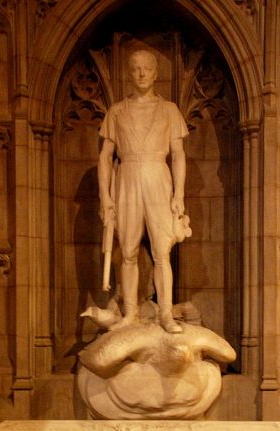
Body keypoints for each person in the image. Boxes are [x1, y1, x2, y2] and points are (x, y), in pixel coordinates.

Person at [98, 49, 190, 334]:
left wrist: (179, 195)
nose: (140, 74)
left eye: (146, 69)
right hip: (126, 177)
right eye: (135, 68)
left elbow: (178, 154)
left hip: (157, 176)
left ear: (156, 73)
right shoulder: (117, 111)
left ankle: (165, 313)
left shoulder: (169, 110)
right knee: (128, 250)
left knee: (162, 250)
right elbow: (105, 156)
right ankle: (130, 314)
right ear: (128, 72)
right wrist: (105, 196)